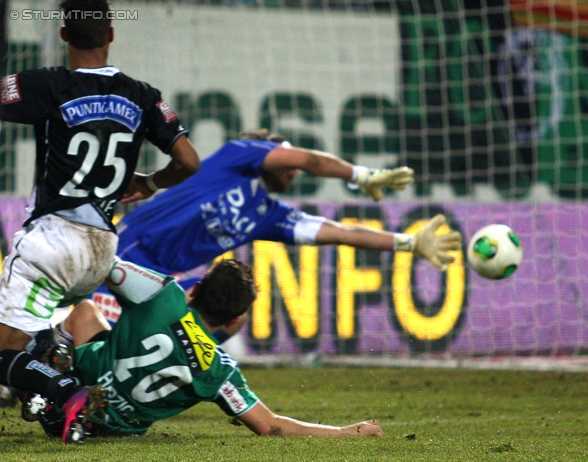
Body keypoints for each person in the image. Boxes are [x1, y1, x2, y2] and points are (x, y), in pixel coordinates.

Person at [0, 0, 200, 442]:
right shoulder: (143, 95)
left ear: (63, 35)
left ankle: (67, 389)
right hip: (101, 251)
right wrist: (148, 183)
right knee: (26, 343)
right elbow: (188, 161)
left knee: (1, 349)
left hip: (52, 240)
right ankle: (53, 388)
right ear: (111, 35)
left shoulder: (47, 83)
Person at [99, 129, 461, 324]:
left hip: (163, 281)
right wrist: (363, 176)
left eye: (292, 163)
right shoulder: (236, 158)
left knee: (233, 314)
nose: (293, 169)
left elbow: (342, 233)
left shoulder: (271, 215)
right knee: (86, 336)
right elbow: (309, 159)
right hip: (127, 254)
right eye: (284, 159)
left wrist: (408, 243)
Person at [29, 258, 383, 440]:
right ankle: (65, 398)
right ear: (233, 322)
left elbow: (107, 264)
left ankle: (45, 378)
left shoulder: (163, 295)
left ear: (196, 290)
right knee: (94, 318)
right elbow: (270, 426)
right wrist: (345, 432)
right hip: (113, 430)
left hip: (86, 380)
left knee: (86, 310)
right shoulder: (219, 369)